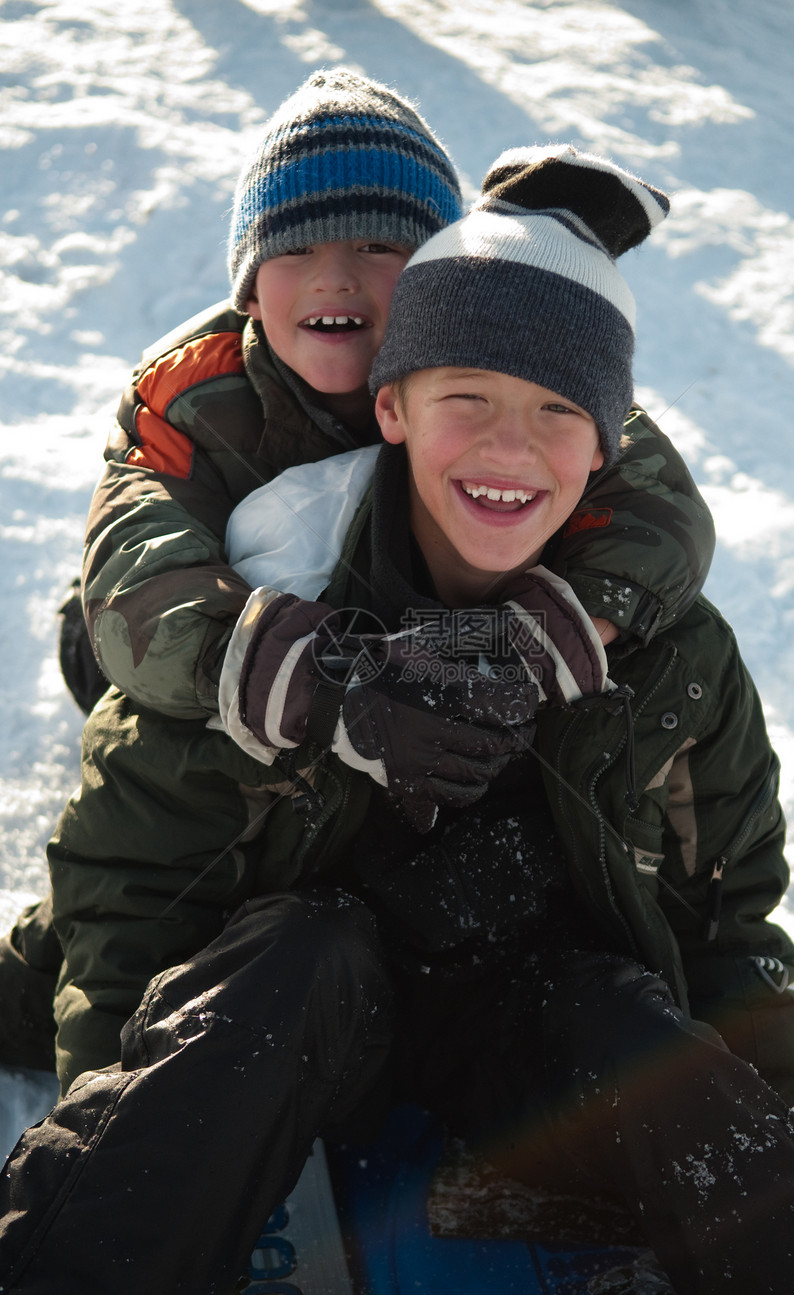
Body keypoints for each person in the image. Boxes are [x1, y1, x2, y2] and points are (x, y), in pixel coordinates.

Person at [1, 145, 794, 1295]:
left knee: (617, 1017)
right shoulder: (263, 598)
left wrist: (762, 1154)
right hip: (314, 1002)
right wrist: (135, 1120)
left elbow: (727, 925)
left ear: (609, 444)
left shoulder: (663, 651)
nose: (509, 448)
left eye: (558, 413)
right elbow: (132, 875)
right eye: (467, 400)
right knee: (294, 953)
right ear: (390, 407)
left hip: (522, 1018)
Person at [0, 70, 715, 1090]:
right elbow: (135, 584)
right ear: (249, 284)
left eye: (379, 247)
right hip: (201, 647)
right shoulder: (190, 397)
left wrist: (554, 626)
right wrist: (322, 675)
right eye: (294, 249)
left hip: (405, 659)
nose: (336, 277)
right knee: (152, 771)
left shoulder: (504, 362)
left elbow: (657, 505)